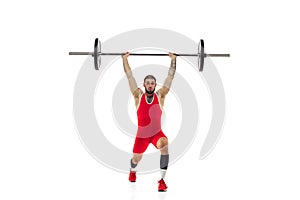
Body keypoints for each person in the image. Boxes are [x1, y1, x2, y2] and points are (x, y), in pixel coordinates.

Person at [122, 52, 177, 192]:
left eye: (153, 83)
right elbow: (130, 76)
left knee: (164, 144)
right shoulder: (138, 95)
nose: (150, 85)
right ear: (144, 84)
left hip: (156, 133)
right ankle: (132, 171)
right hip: (142, 136)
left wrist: (173, 61)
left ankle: (162, 181)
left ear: (155, 85)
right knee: (136, 160)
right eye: (148, 83)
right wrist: (124, 59)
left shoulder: (161, 95)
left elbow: (170, 77)